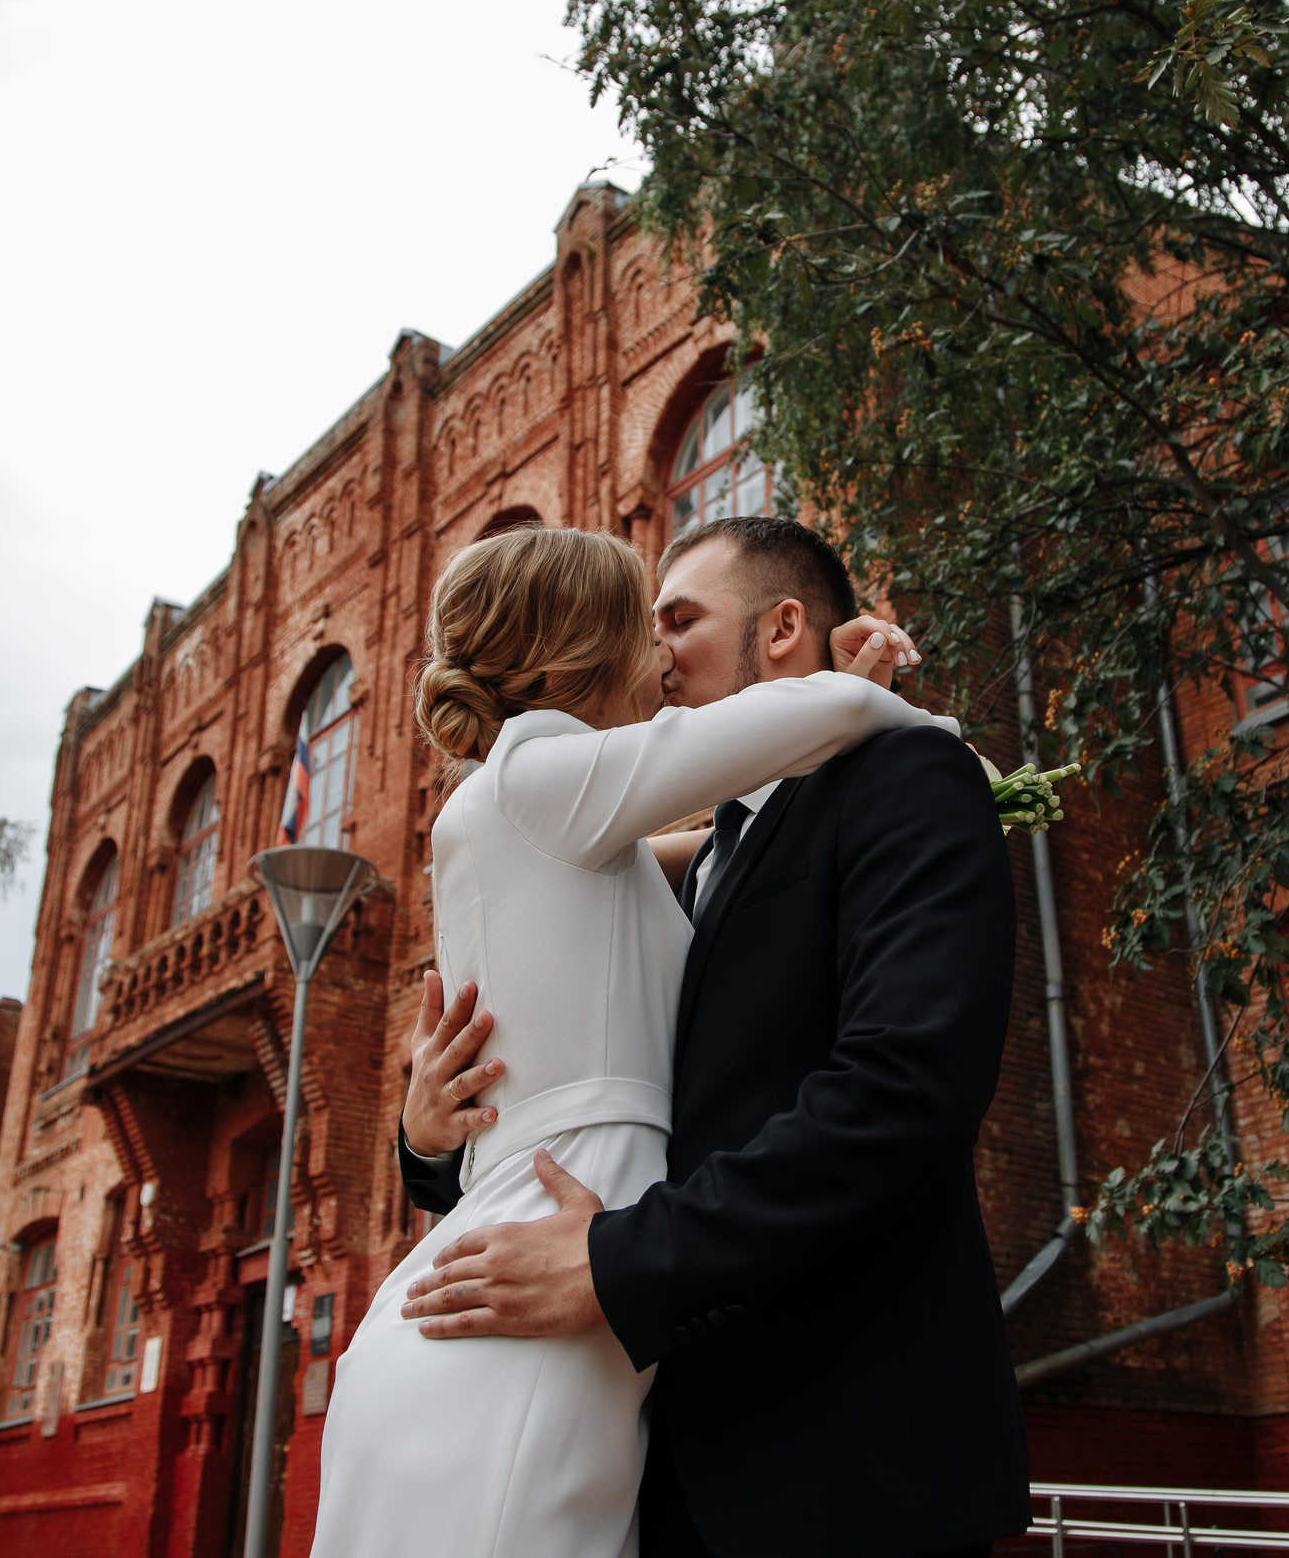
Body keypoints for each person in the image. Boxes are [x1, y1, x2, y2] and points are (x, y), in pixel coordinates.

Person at [309, 521, 958, 1558]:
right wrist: (880, 698)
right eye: (644, 624)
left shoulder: (605, 840)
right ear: (585, 652)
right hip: (552, 1278)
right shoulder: (542, 777)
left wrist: (438, 1141)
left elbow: (721, 858)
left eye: (681, 620)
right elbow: (809, 725)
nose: (660, 654)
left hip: (765, 1403)